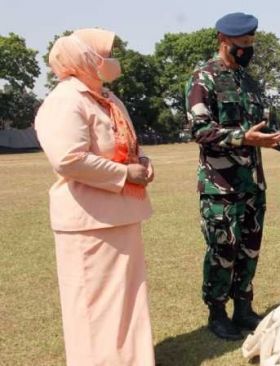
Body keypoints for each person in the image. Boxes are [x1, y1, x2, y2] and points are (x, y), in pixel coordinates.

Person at [34, 28, 155, 365]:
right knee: (94, 308)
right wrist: (122, 174)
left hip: (123, 215)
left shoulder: (110, 99)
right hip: (87, 222)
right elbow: (68, 159)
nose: (113, 60)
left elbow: (128, 144)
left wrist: (143, 163)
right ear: (85, 59)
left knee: (127, 301)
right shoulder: (64, 101)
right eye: (105, 53)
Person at [185, 12, 280, 340]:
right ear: (225, 42)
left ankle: (244, 307)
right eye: (243, 44)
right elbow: (200, 130)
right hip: (220, 186)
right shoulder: (203, 78)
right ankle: (218, 312)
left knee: (249, 249)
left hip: (252, 184)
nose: (248, 49)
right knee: (222, 251)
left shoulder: (251, 83)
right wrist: (244, 138)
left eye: (251, 43)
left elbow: (265, 130)